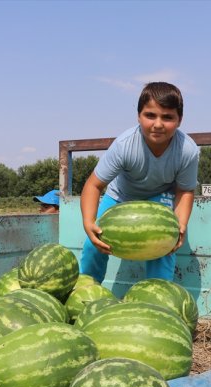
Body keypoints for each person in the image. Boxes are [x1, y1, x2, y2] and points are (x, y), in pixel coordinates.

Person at [80, 81, 199, 283]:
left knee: (164, 244)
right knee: (93, 244)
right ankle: (87, 288)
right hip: (121, 195)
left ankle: (158, 295)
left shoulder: (187, 150)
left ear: (179, 120)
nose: (158, 124)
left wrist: (181, 225)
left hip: (159, 196)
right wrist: (88, 222)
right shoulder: (124, 145)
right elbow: (93, 185)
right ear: (138, 116)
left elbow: (185, 191)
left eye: (168, 117)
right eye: (150, 115)